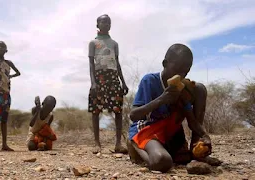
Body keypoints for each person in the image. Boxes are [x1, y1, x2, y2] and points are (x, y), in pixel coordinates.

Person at [128, 43, 213, 173]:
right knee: (162, 161)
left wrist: (204, 136)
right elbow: (133, 115)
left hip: (169, 132)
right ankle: (136, 146)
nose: (182, 74)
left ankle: (185, 149)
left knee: (183, 158)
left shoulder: (181, 89)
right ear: (165, 63)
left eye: (186, 71)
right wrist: (161, 99)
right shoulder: (149, 80)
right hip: (147, 130)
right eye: (178, 69)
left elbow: (192, 121)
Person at [88, 14, 129, 154]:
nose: (106, 24)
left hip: (113, 77)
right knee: (96, 109)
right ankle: (96, 143)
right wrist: (93, 82)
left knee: (118, 109)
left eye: (108, 22)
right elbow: (91, 64)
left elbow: (117, 63)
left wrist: (123, 82)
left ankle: (118, 143)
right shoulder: (93, 43)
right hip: (99, 77)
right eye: (103, 22)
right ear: (97, 24)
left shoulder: (114, 44)